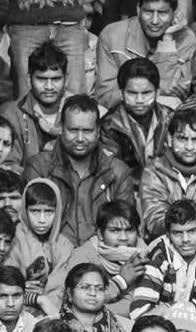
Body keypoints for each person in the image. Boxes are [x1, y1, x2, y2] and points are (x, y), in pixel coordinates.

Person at [22, 95, 135, 246]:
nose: (80, 138)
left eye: (87, 131)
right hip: (51, 256)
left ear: (98, 131)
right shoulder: (39, 167)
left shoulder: (118, 172)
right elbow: (29, 227)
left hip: (103, 259)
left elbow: (125, 230)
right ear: (61, 128)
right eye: (73, 130)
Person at [138, 109, 196, 240]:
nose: (189, 147)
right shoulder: (155, 170)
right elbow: (155, 220)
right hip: (168, 245)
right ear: (170, 139)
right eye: (182, 139)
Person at [97, 56, 176, 172]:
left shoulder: (170, 118)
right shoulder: (109, 126)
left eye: (146, 93)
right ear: (121, 93)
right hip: (127, 187)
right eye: (132, 93)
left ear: (157, 92)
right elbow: (112, 170)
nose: (139, 100)